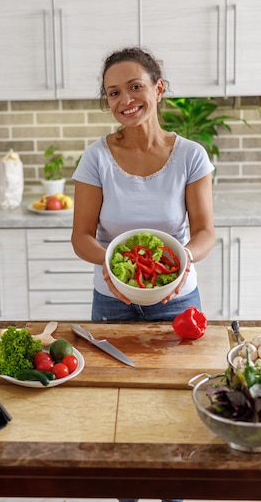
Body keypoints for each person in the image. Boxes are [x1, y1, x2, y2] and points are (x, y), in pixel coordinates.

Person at [71, 46, 215, 324]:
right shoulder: (96, 157)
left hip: (177, 298)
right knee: (111, 369)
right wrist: (112, 267)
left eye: (135, 86)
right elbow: (81, 237)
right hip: (111, 299)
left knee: (181, 369)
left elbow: (205, 232)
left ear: (158, 89)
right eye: (114, 93)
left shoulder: (190, 155)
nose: (125, 100)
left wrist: (183, 260)